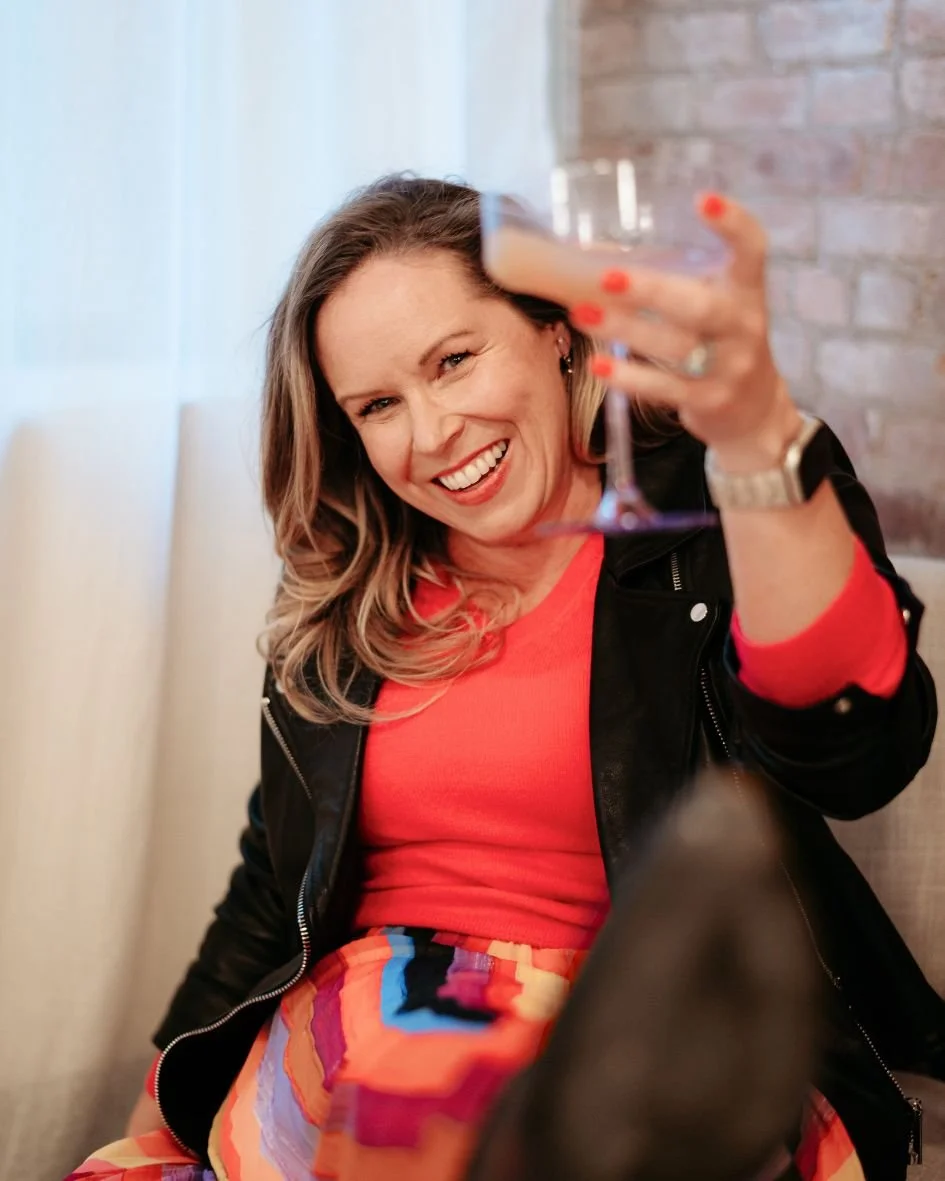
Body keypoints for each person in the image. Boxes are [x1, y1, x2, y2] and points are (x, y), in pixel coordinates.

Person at [68, 175, 941, 1181]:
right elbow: (277, 881)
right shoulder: (350, 590)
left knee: (447, 1095)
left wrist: (753, 439)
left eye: (455, 359)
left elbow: (853, 750)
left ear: (558, 332)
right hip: (358, 1044)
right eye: (379, 404)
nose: (432, 431)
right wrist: (160, 1115)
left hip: (633, 1040)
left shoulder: (710, 512)